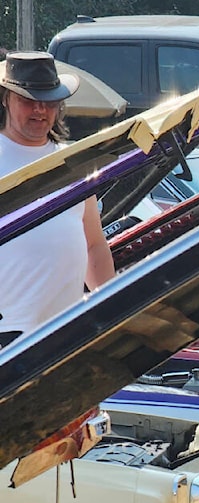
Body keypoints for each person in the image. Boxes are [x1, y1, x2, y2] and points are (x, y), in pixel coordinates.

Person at [0, 51, 115, 350]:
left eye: (49, 100)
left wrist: (111, 311)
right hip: (7, 336)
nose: (40, 110)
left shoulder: (73, 161)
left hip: (68, 335)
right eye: (28, 99)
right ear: (5, 99)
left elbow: (93, 244)